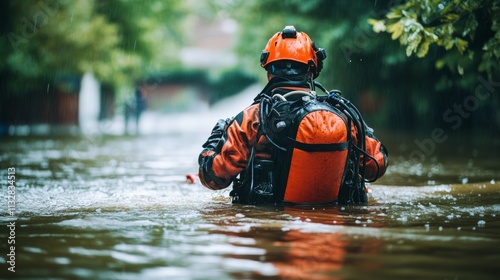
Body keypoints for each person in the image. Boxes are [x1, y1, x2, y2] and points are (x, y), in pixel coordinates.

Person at [198, 26, 388, 205]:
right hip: (332, 228)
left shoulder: (253, 117)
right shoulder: (343, 115)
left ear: (269, 73)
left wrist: (215, 140)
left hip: (270, 229)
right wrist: (365, 131)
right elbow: (377, 165)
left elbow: (214, 178)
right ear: (312, 71)